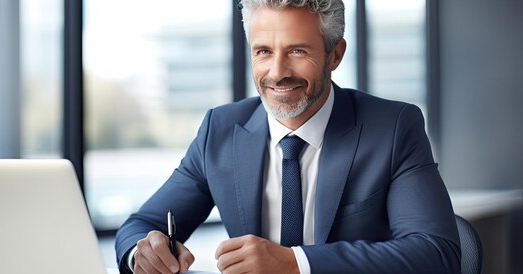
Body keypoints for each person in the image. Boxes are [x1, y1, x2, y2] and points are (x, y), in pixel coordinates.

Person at [115, 0, 461, 273]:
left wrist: (295, 264)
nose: (277, 73)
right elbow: (142, 225)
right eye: (263, 51)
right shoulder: (219, 129)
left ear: (335, 55)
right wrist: (142, 253)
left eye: (297, 51)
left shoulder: (394, 126)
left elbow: (435, 253)